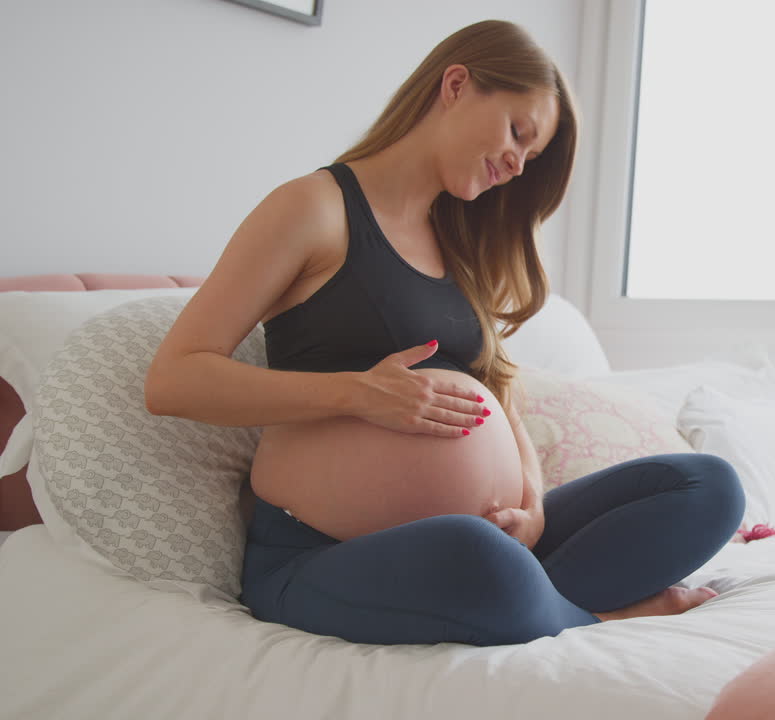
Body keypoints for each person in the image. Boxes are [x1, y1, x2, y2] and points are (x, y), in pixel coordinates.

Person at [144, 19, 744, 647]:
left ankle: (537, 600)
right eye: (518, 133)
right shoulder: (312, 208)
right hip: (324, 556)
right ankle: (601, 618)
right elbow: (174, 378)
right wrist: (357, 393)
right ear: (456, 85)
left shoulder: (461, 240)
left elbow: (499, 393)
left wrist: (533, 503)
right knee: (477, 558)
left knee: (707, 487)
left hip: (493, 546)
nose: (517, 165)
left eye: (530, 157)